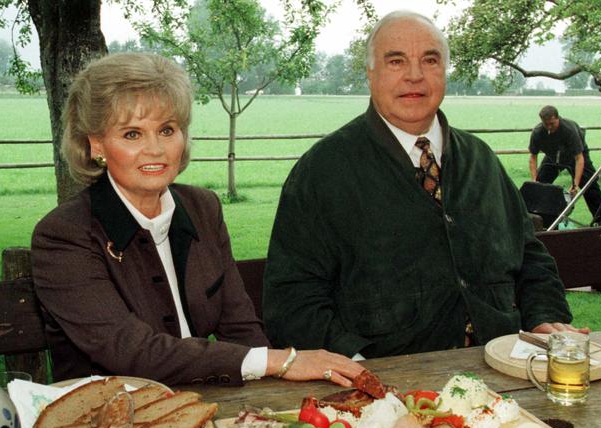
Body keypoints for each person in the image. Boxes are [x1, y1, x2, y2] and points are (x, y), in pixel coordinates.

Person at [263, 11, 588, 360]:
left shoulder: (481, 161)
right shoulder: (322, 172)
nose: (415, 76)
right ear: (370, 74)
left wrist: (544, 316)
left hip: (501, 371)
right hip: (387, 386)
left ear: (444, 72)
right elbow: (292, 300)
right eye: (396, 61)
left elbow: (530, 257)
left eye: (429, 60)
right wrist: (357, 365)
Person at [31, 52, 365, 386]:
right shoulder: (64, 235)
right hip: (109, 420)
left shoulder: (202, 207)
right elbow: (131, 352)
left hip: (203, 405)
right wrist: (280, 361)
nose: (155, 149)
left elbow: (240, 326)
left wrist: (270, 410)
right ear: (96, 146)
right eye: (132, 134)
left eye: (167, 130)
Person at [529, 105, 601, 226]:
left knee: (590, 185)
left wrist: (575, 185)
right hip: (552, 157)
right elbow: (533, 158)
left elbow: (579, 159)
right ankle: (540, 221)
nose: (549, 128)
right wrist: (534, 180)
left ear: (557, 118)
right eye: (546, 124)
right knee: (538, 187)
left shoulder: (569, 130)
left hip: (576, 155)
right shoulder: (538, 132)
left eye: (552, 123)